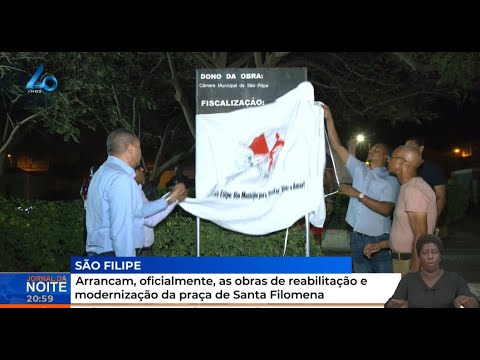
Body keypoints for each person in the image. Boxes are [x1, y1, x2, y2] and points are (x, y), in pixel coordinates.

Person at [85, 129, 186, 257]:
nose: (140, 152)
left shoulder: (101, 173)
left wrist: (169, 199)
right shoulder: (121, 178)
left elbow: (137, 211)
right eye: (139, 147)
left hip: (102, 255)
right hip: (114, 256)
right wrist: (128, 267)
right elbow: (122, 230)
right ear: (131, 149)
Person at [323, 104, 399, 273]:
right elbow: (337, 147)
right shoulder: (359, 168)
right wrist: (329, 118)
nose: (372, 149)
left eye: (377, 149)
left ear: (387, 158)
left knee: (384, 287)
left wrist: (357, 194)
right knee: (362, 285)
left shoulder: (391, 180)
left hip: (379, 240)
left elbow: (386, 209)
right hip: (356, 238)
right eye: (372, 147)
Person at [365, 145, 437, 275]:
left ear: (403, 163)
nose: (388, 160)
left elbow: (421, 235)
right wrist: (380, 245)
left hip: (410, 262)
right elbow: (406, 232)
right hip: (404, 259)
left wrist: (414, 273)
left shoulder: (413, 191)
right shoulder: (407, 187)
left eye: (392, 158)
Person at [385, 234, 478, 308]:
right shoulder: (408, 280)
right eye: (425, 253)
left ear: (440, 255)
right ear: (419, 257)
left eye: (434, 252)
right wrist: (394, 305)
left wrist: (467, 302)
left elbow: (473, 302)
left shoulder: (455, 279)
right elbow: (390, 303)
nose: (430, 256)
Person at [404, 136, 447, 235]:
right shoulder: (404, 169)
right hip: (407, 224)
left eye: (410, 146)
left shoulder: (433, 169)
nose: (407, 149)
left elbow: (441, 198)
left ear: (421, 149)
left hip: (427, 221)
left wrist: (432, 221)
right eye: (405, 147)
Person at [134, 164, 180, 256]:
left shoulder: (138, 190)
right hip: (139, 253)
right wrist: (174, 198)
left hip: (144, 251)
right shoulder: (132, 194)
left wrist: (171, 195)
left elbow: (152, 208)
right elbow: (151, 219)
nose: (143, 170)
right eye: (138, 168)